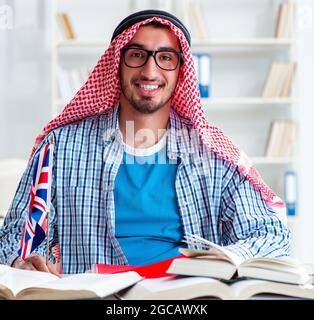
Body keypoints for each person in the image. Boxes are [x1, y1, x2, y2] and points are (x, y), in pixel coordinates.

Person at [0, 10, 291, 274]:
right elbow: (15, 237)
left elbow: (271, 234)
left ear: (181, 72)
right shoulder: (62, 146)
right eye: (137, 55)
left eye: (165, 58)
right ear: (117, 64)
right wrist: (22, 262)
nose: (150, 72)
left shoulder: (212, 152)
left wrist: (222, 260)